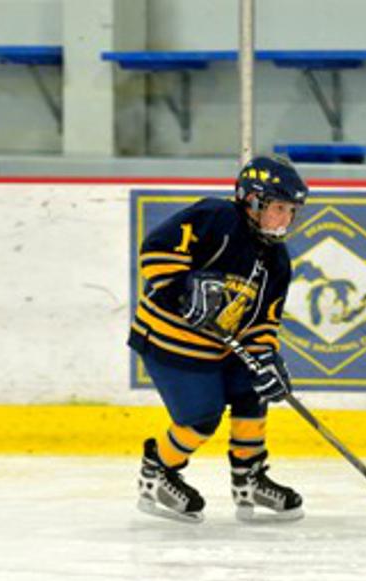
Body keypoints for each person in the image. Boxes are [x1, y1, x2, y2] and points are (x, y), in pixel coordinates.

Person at [128, 155, 309, 523]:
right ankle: (157, 471)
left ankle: (249, 478)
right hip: (167, 342)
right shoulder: (216, 218)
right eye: (277, 208)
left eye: (290, 211)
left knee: (254, 384)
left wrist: (267, 359)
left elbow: (262, 324)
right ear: (252, 202)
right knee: (201, 417)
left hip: (219, 347)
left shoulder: (278, 261)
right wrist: (182, 289)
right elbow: (155, 250)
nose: (284, 220)